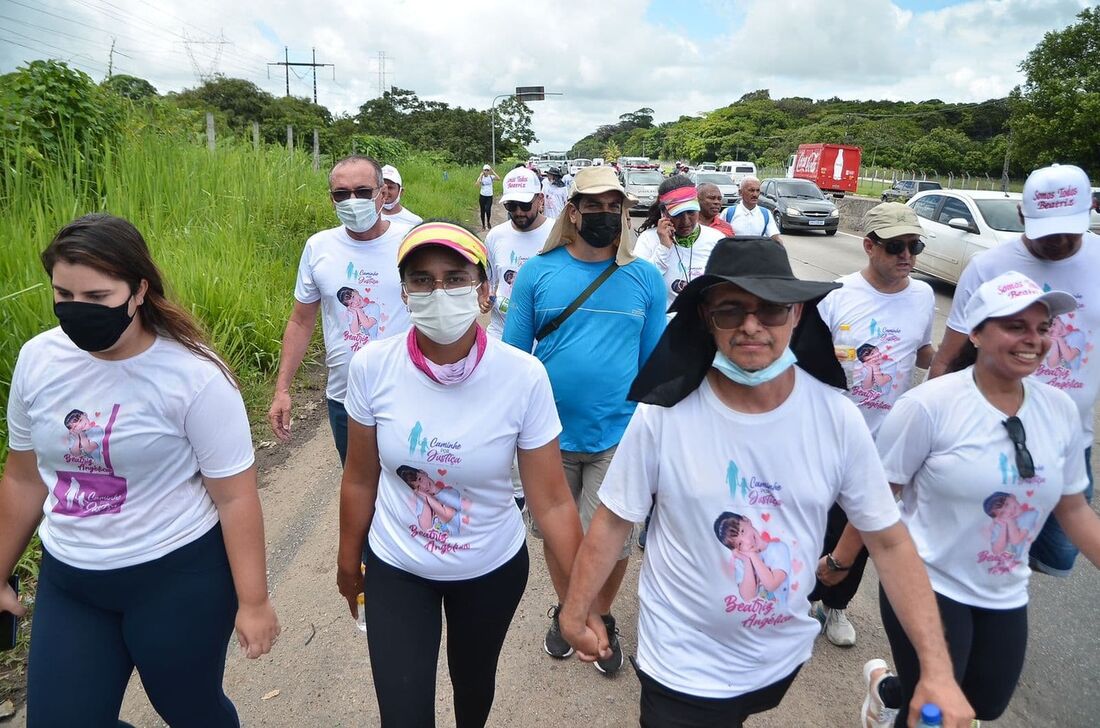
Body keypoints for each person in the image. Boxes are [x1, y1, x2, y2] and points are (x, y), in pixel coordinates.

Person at [558, 237, 974, 728]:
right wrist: (575, 610)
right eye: (731, 311)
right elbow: (612, 521)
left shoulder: (835, 418)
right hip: (680, 663)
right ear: (706, 319)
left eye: (771, 310)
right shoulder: (663, 416)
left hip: (778, 658)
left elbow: (888, 540)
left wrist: (938, 670)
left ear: (797, 315)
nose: (752, 325)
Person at [0, 214, 279, 727]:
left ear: (139, 290)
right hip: (72, 580)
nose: (76, 311)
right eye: (63, 295)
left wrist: (254, 601)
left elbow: (236, 497)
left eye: (98, 297)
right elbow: (23, 476)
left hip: (176, 578)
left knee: (192, 712)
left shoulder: (194, 376)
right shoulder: (38, 360)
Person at [335, 220, 594, 728]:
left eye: (455, 277)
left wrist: (580, 600)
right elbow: (361, 477)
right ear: (404, 292)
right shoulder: (372, 366)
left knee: (473, 691)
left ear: (483, 290)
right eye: (422, 280)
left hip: (489, 569)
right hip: (397, 566)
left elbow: (555, 502)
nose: (439, 291)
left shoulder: (522, 375)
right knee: (403, 712)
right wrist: (348, 562)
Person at [864, 270, 1100, 728]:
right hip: (927, 580)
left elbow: (1073, 508)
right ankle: (902, 701)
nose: (1033, 339)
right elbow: (875, 502)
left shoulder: (1060, 410)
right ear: (975, 332)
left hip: (1003, 588)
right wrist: (838, 564)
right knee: (935, 710)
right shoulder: (929, 406)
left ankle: (886, 690)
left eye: (1043, 327)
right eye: (1015, 326)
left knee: (985, 706)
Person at [503, 166, 667, 676]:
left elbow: (654, 365)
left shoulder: (644, 278)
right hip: (545, 437)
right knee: (559, 534)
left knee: (612, 538)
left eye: (613, 206)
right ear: (572, 211)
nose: (604, 214)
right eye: (593, 205)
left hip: (618, 434)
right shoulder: (538, 272)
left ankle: (596, 615)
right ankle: (570, 612)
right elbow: (513, 356)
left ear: (624, 212)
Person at [928, 163, 1100, 577]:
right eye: (1047, 229)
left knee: (1058, 555)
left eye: (1069, 229)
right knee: (983, 545)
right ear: (1023, 216)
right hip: (990, 436)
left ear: (1092, 209)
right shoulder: (989, 267)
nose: (1059, 240)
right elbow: (949, 356)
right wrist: (936, 430)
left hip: (1069, 438)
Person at [809, 202, 936, 647]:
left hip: (884, 441)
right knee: (814, 519)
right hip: (829, 435)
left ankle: (835, 606)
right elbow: (808, 365)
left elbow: (922, 352)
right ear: (868, 246)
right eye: (895, 246)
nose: (907, 255)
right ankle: (802, 596)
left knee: (859, 524)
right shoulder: (834, 295)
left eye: (914, 245)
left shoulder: (921, 297)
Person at [268, 154, 412, 465]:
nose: (352, 200)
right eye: (341, 194)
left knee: (410, 492)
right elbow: (301, 321)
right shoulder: (318, 248)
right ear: (332, 201)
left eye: (362, 192)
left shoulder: (410, 243)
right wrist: (282, 389)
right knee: (358, 486)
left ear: (383, 194)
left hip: (408, 393)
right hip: (345, 399)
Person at [634, 175, 724, 309]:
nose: (686, 221)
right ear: (663, 214)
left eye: (691, 212)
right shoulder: (649, 239)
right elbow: (641, 284)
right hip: (664, 325)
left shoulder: (716, 239)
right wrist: (663, 248)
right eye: (678, 214)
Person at [486, 167, 553, 341]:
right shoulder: (495, 236)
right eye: (511, 206)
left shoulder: (556, 234)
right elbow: (489, 281)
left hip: (543, 336)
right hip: (500, 333)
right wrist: (485, 298)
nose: (518, 212)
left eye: (524, 205)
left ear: (540, 199)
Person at [722, 176, 782, 242]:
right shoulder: (728, 213)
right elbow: (719, 237)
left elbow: (775, 238)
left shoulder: (766, 214)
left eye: (758, 190)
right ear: (740, 192)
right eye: (751, 190)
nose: (755, 194)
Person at [477, 164, 499, 230]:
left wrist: (493, 171)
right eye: (485, 170)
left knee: (488, 210)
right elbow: (477, 184)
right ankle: (483, 225)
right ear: (483, 170)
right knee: (482, 211)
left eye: (487, 170)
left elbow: (498, 178)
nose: (486, 171)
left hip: (489, 196)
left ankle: (488, 222)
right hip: (482, 196)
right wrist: (480, 176)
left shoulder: (491, 177)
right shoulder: (481, 177)